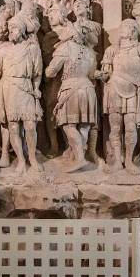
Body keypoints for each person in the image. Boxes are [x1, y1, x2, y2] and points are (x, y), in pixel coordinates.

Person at [100, 19, 140, 174]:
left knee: (131, 127)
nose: (122, 29)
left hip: (133, 91)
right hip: (114, 89)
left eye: (126, 27)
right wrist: (102, 75)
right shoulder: (112, 50)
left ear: (134, 31)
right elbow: (106, 74)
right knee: (115, 127)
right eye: (122, 27)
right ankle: (117, 161)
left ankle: (129, 161)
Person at [45, 19, 101, 172]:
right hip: (88, 89)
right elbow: (92, 74)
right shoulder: (90, 52)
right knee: (83, 125)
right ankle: (78, 155)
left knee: (68, 125)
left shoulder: (66, 48)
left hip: (71, 89)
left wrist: (47, 70)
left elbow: (51, 72)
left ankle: (80, 159)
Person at [0, 10, 43, 172]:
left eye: (14, 29)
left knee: (30, 126)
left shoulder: (32, 49)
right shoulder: (3, 49)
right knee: (13, 127)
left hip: (26, 88)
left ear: (21, 31)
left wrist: (36, 88)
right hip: (9, 89)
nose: (10, 32)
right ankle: (20, 160)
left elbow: (37, 72)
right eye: (10, 28)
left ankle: (32, 158)